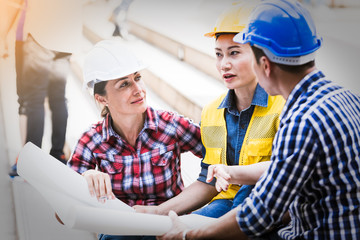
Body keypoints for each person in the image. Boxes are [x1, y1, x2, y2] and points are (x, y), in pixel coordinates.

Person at [157, 0, 360, 239]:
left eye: (240, 54)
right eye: (219, 54)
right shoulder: (347, 98)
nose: (225, 64)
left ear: (264, 65)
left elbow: (260, 214)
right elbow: (283, 171)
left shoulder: (300, 121)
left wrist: (188, 235)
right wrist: (231, 172)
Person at [134, 0, 285, 219]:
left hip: (265, 208)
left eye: (234, 53)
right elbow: (209, 182)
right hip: (224, 203)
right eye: (218, 54)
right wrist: (158, 211)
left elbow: (288, 171)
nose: (224, 64)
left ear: (262, 55)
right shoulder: (212, 112)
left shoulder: (283, 105)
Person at [66, 39, 203, 240]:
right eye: (124, 84)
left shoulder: (171, 126)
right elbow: (62, 210)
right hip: (121, 232)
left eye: (138, 77)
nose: (138, 89)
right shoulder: (92, 140)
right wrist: (84, 179)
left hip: (167, 229)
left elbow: (221, 159)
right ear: (102, 99)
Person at [4, 0, 82, 177]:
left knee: (35, 100)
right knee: (58, 98)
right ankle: (58, 155)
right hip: (66, 36)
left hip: (42, 32)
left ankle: (32, 164)